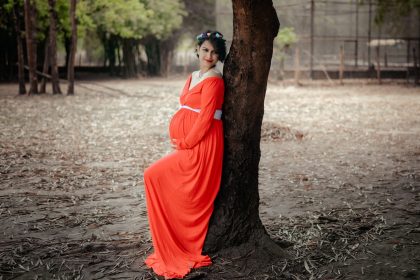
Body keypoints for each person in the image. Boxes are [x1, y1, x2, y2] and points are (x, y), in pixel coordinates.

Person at [143, 31, 227, 279]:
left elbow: (205, 119)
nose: (209, 55)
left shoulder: (215, 80)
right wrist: (177, 135)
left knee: (153, 175)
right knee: (158, 180)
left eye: (214, 52)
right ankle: (169, 239)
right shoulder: (192, 76)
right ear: (198, 51)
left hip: (202, 145)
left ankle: (179, 242)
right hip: (187, 143)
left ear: (219, 55)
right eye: (205, 50)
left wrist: (186, 142)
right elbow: (186, 107)